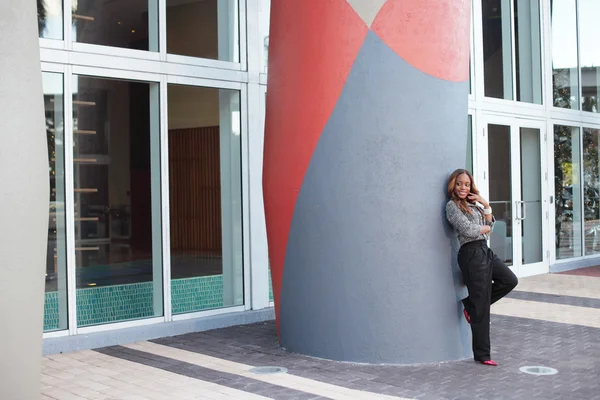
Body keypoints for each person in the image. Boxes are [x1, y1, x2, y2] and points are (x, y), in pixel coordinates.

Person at [445, 168, 518, 366]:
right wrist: (485, 228)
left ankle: (470, 305)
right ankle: (483, 355)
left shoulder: (474, 204)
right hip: (470, 254)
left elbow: (489, 226)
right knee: (482, 307)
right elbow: (468, 230)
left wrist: (485, 205)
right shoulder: (452, 207)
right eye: (459, 183)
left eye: (466, 184)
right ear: (453, 185)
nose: (463, 187)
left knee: (510, 280)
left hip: (484, 250)